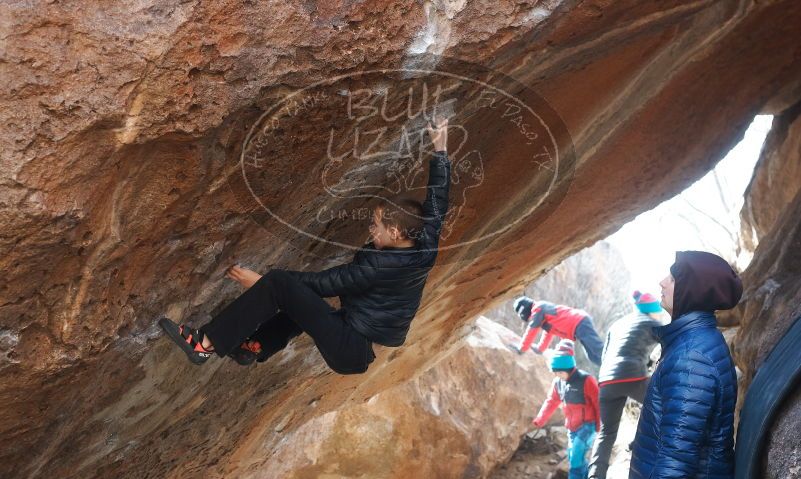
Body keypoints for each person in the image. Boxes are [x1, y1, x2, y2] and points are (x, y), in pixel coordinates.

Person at [158, 117, 451, 372]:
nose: (370, 229)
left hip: (350, 345)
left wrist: (263, 284)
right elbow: (438, 201)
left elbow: (325, 283)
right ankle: (255, 346)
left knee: (280, 284)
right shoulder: (424, 243)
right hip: (355, 338)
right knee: (303, 306)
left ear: (397, 232)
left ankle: (205, 344)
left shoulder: (380, 266)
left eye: (377, 226)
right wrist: (440, 151)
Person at [625, 251, 743, 479]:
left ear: (693, 291)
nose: (662, 282)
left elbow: (678, 456)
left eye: (674, 277)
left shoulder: (692, 358)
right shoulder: (692, 345)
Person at [585, 291, 664, 479]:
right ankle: (639, 443)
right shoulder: (652, 323)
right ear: (652, 310)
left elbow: (604, 355)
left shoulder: (617, 324)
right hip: (632, 374)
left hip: (606, 380)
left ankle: (595, 478)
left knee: (607, 432)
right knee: (662, 404)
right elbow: (668, 349)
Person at [533, 340, 601, 479]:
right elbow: (551, 401)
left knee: (577, 451)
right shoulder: (558, 383)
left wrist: (599, 425)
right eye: (555, 372)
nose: (557, 375)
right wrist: (540, 419)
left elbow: (598, 402)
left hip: (587, 424)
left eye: (559, 372)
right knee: (572, 455)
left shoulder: (586, 380)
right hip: (571, 426)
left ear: (568, 368)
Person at [513, 297, 605, 365]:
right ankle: (610, 371)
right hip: (578, 324)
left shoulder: (538, 308)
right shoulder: (543, 316)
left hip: (579, 321)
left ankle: (617, 364)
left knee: (597, 349)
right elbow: (548, 333)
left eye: (529, 318)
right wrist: (540, 349)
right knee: (592, 356)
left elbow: (532, 329)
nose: (530, 320)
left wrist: (521, 348)